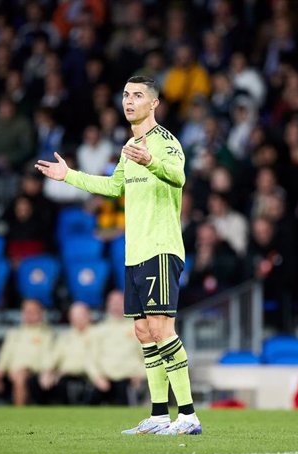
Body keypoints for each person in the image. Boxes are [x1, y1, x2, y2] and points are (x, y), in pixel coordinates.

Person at [35, 75, 201, 435]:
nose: (129, 101)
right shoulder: (130, 144)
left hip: (160, 247)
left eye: (138, 95)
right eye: (125, 94)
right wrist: (70, 176)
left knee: (161, 328)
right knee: (143, 331)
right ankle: (159, 415)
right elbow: (112, 187)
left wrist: (151, 161)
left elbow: (178, 177)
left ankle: (187, 416)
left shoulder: (165, 142)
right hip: (135, 251)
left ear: (154, 103)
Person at [0, 299, 53, 406]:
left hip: (31, 376)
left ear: (40, 314)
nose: (29, 315)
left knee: (20, 377)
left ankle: (19, 417)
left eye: (32, 311)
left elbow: (47, 359)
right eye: (26, 311)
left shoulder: (47, 335)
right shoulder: (14, 333)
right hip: (7, 375)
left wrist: (24, 369)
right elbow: (4, 356)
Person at [86, 290, 145, 406]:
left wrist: (141, 374)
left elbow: (148, 356)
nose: (116, 305)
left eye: (119, 302)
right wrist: (96, 377)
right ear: (108, 305)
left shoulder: (138, 327)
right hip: (103, 380)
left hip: (129, 380)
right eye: (113, 302)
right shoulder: (98, 330)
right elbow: (90, 358)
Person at [35, 302, 93, 405]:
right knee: (35, 381)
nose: (78, 319)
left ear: (89, 316)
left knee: (64, 382)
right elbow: (53, 356)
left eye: (81, 315)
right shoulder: (65, 337)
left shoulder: (97, 335)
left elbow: (91, 361)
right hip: (62, 374)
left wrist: (62, 373)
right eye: (75, 316)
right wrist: (47, 372)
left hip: (86, 376)